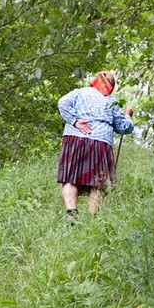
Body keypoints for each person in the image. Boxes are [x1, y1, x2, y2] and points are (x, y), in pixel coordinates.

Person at [57, 71, 134, 220]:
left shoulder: (79, 93)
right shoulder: (111, 102)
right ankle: (92, 219)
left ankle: (72, 214)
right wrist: (128, 115)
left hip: (74, 138)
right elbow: (125, 127)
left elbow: (62, 103)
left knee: (70, 178)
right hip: (100, 142)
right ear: (111, 86)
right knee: (98, 183)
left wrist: (74, 121)